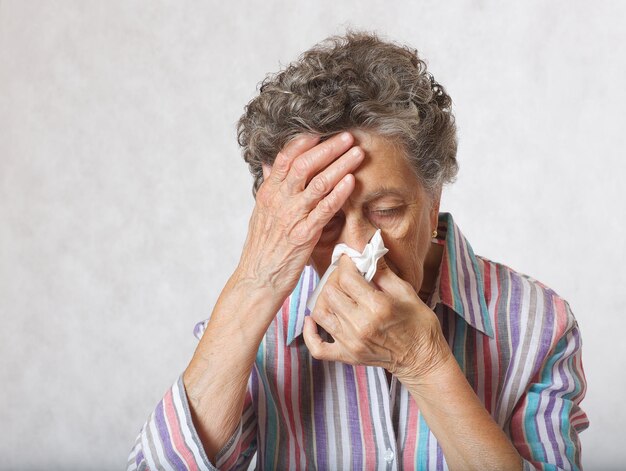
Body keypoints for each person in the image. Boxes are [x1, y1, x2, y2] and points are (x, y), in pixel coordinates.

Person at [127, 31, 588, 471]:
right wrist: (254, 284)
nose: (356, 246)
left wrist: (424, 363)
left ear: (434, 201)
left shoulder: (538, 324)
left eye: (387, 210)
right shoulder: (263, 325)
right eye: (324, 219)